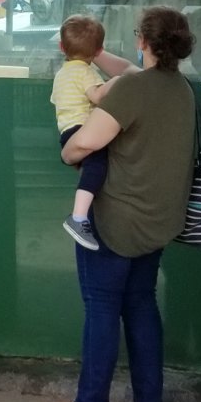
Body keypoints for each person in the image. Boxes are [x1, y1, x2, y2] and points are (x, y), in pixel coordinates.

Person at [42, 6, 197, 402]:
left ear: (143, 40)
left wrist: (67, 152)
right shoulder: (180, 88)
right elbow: (131, 70)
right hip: (158, 218)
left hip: (114, 218)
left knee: (103, 305)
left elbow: (82, 145)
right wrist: (93, 52)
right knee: (142, 304)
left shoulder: (130, 90)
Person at [50, 15, 137, 251]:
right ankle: (78, 217)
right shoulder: (85, 72)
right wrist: (117, 81)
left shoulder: (61, 74)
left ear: (61, 47)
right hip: (83, 129)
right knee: (97, 166)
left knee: (91, 167)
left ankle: (81, 215)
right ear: (98, 51)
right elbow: (97, 97)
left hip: (67, 129)